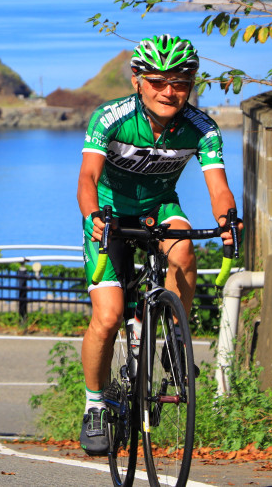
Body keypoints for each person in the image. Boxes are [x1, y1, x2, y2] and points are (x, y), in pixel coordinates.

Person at [76, 34, 241, 455]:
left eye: (181, 83)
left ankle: (173, 339)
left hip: (159, 207)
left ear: (191, 84)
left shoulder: (202, 128)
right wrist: (93, 215)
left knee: (184, 250)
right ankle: (95, 404)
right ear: (138, 81)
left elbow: (218, 187)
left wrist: (226, 221)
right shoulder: (110, 118)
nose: (170, 92)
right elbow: (87, 179)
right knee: (109, 317)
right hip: (110, 214)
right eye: (158, 82)